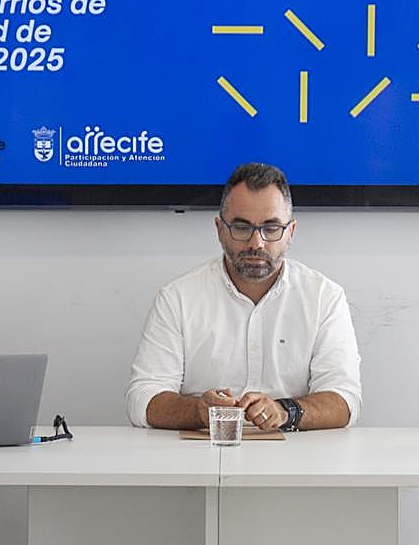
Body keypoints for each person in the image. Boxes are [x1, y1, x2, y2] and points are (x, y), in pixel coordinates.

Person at [126, 162, 362, 431]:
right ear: (219, 228)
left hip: (295, 459)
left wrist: (286, 411)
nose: (256, 243)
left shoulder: (324, 297)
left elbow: (346, 401)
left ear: (291, 232)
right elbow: (141, 398)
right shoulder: (177, 297)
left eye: (271, 228)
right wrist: (198, 411)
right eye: (241, 227)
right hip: (197, 458)